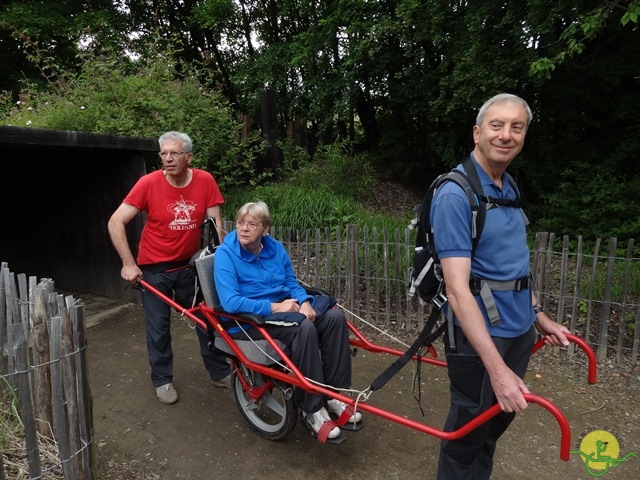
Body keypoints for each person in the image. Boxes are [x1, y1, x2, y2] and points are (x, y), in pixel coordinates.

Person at [432, 94, 571, 479]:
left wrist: (537, 314)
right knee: (466, 437)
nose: (506, 135)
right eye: (496, 125)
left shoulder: (507, 186)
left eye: (517, 126)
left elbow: (514, 266)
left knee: (493, 429)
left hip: (518, 329)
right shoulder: (455, 194)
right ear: (477, 133)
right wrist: (496, 369)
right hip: (479, 338)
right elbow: (459, 290)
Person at [213, 201, 363, 442]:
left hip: (284, 309)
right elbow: (230, 302)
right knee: (303, 327)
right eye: (240, 223)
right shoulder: (226, 254)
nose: (243, 228)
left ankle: (333, 394)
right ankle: (312, 408)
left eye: (252, 224)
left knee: (334, 317)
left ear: (265, 230)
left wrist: (304, 301)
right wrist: (277, 306)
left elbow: (292, 282)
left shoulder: (274, 248)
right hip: (249, 320)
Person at [108, 131, 231, 405]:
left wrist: (221, 263)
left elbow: (216, 228)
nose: (167, 158)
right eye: (163, 153)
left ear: (189, 156)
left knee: (208, 318)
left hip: (190, 266)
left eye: (174, 153)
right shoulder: (147, 183)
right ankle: (162, 380)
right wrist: (129, 264)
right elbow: (115, 222)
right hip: (154, 268)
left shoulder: (205, 181)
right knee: (159, 327)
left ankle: (220, 372)